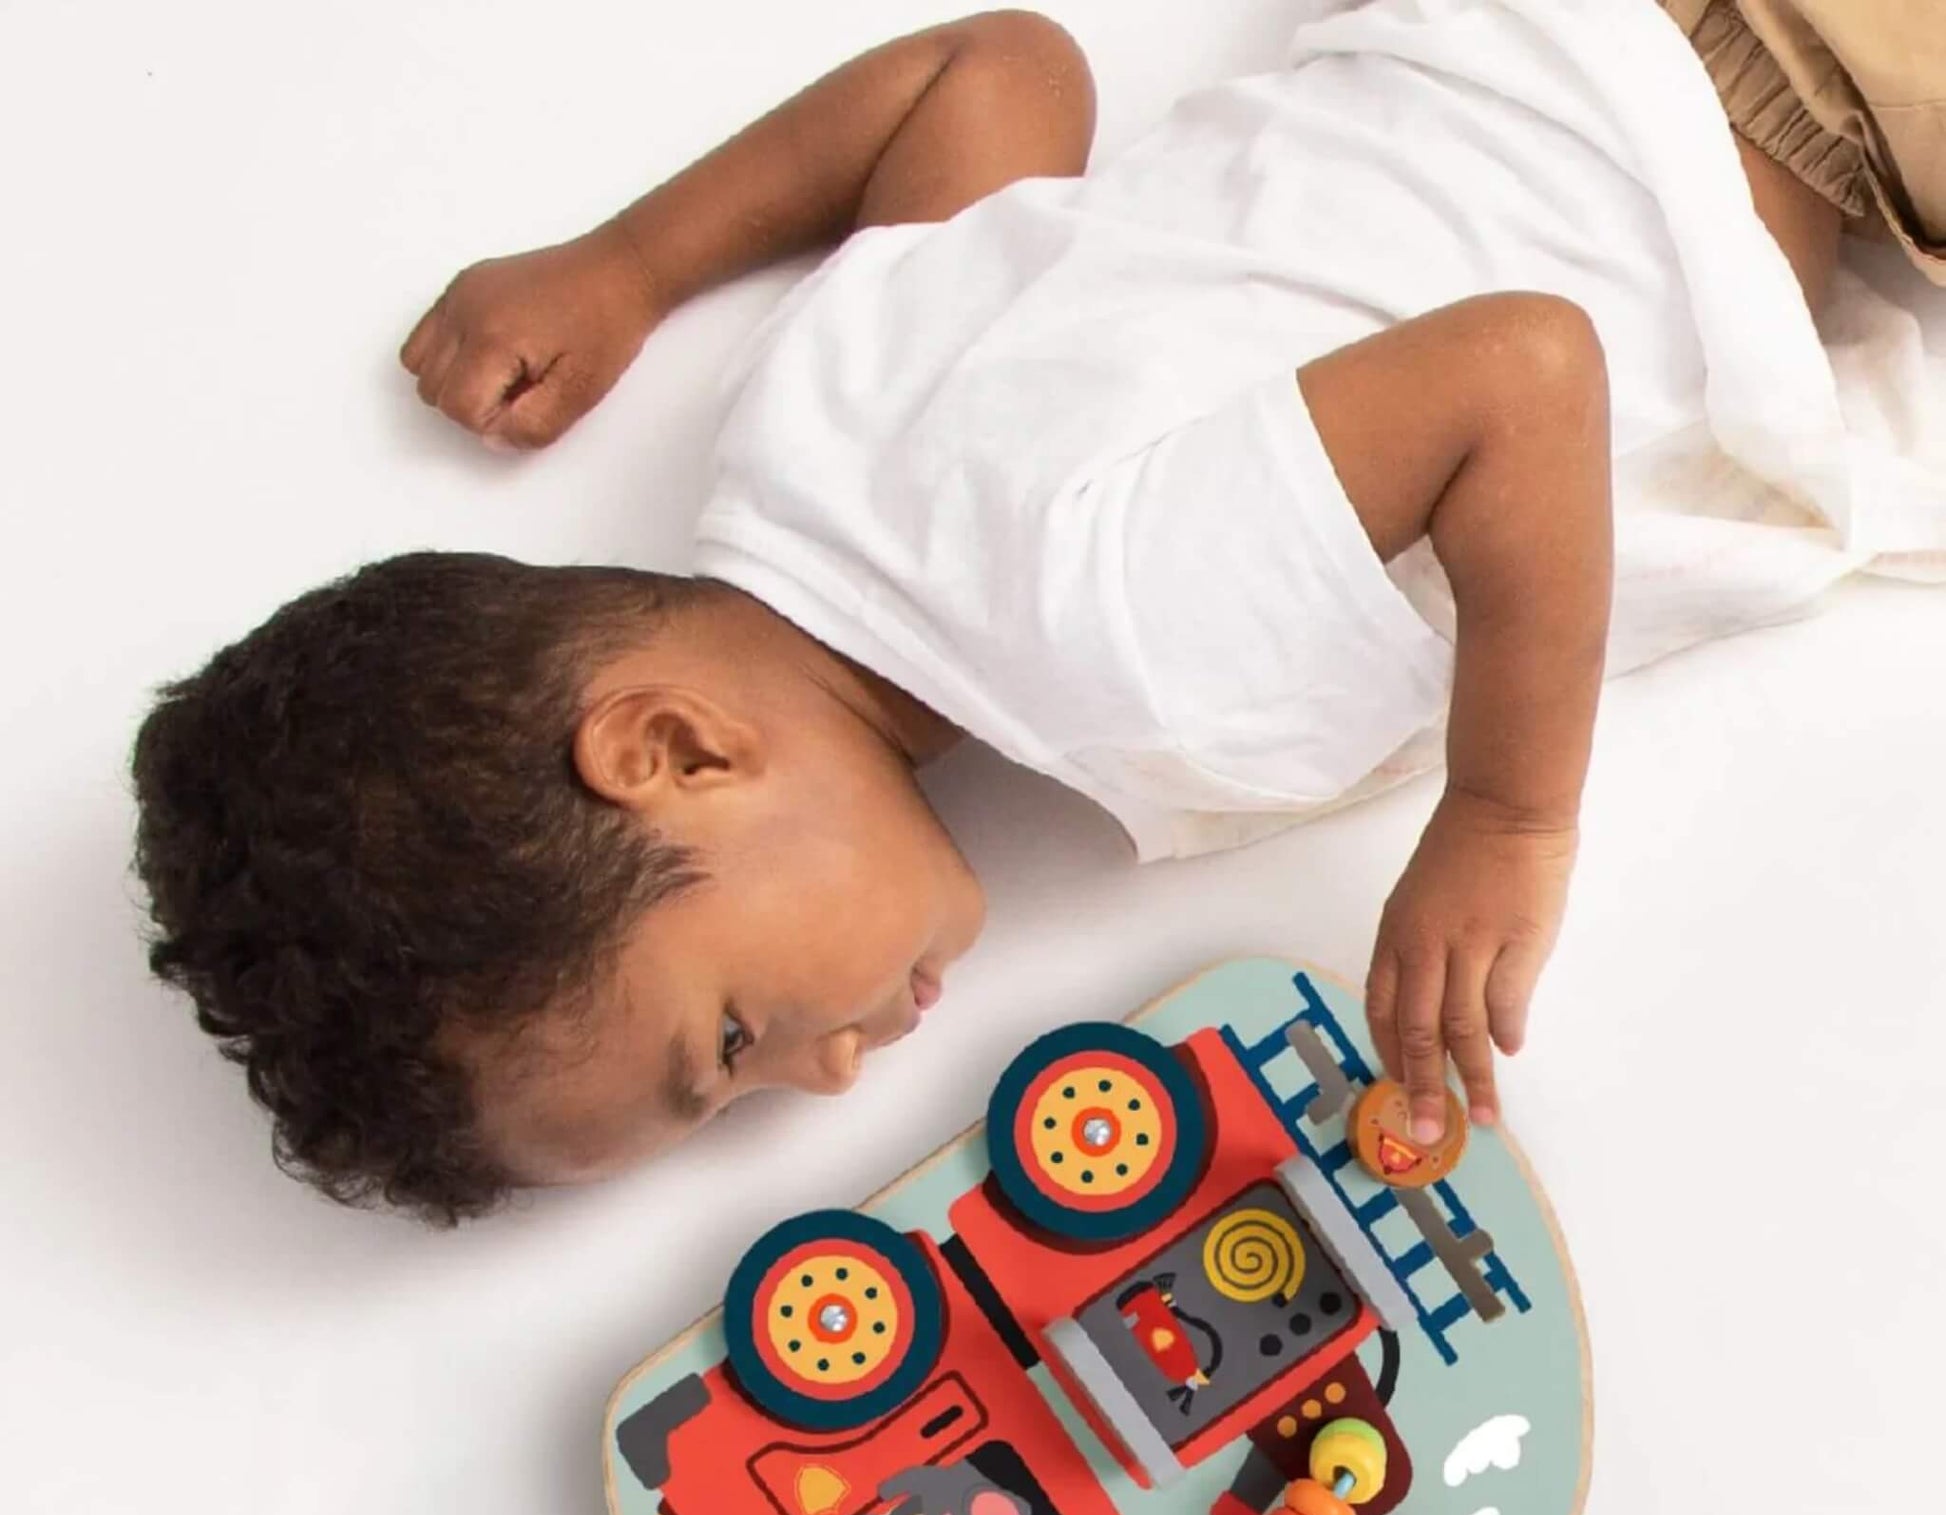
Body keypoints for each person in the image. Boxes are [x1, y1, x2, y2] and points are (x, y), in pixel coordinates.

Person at [131, 0, 1946, 1222]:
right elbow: (996, 75)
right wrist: (632, 263)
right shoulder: (801, 432)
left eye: (737, 1042)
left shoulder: (1103, 633)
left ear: (669, 749)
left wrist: (1505, 813)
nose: (832, 1078)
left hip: (1796, 84)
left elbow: (1524, 376)